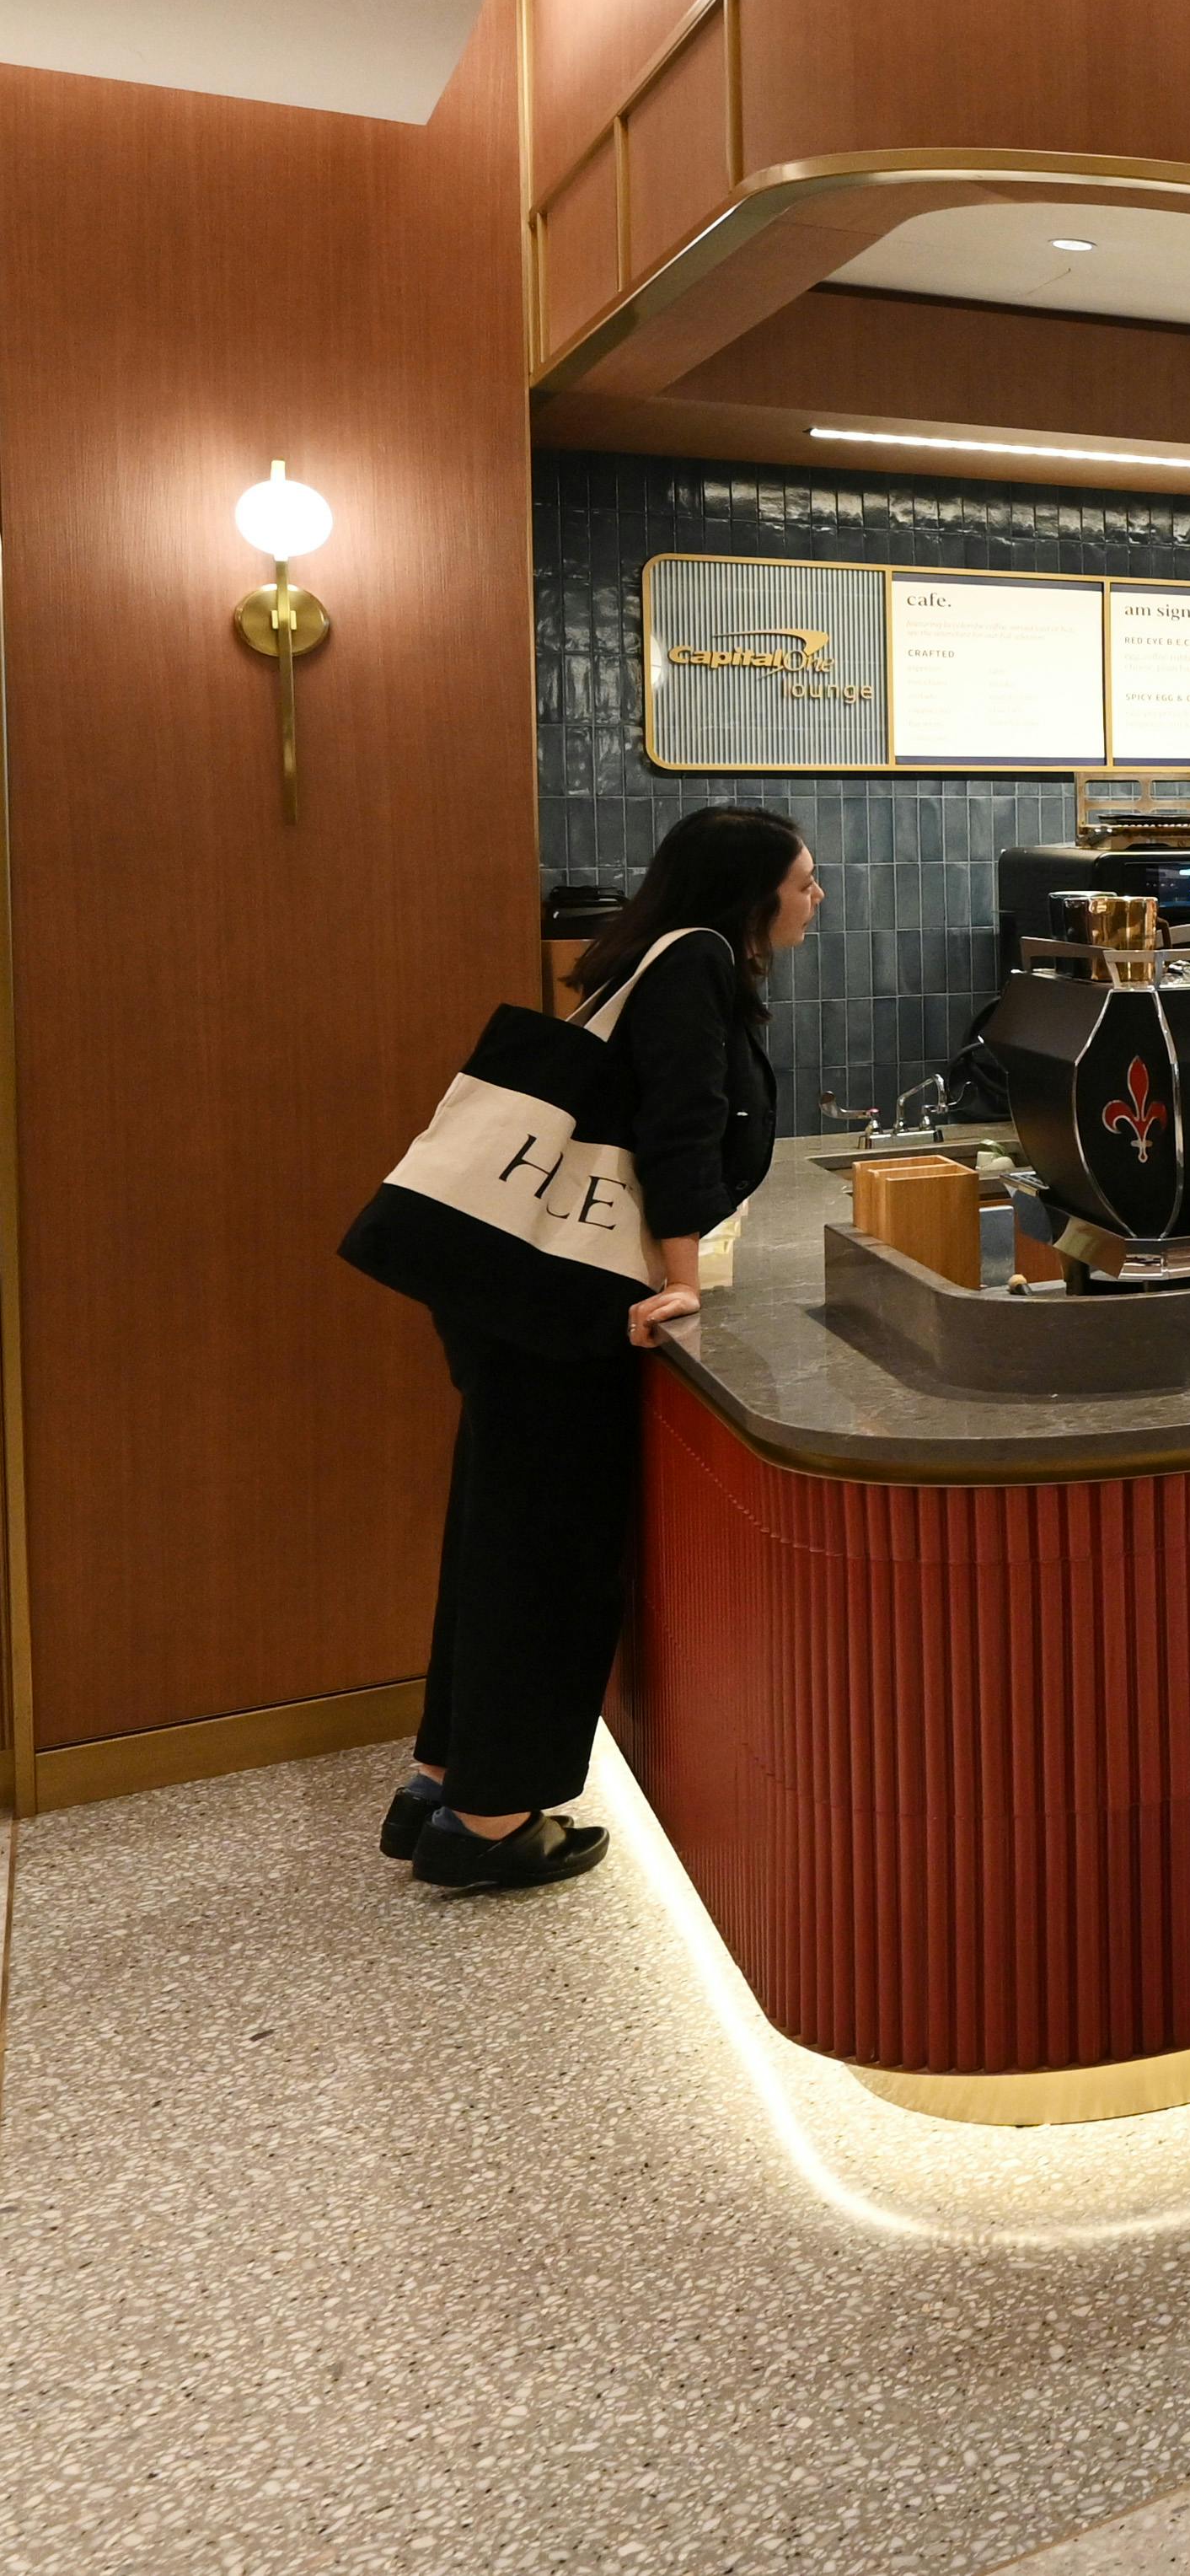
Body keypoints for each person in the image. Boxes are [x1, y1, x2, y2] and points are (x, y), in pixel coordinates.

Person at [390, 806, 820, 1892]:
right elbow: (682, 1125)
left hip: (512, 1291)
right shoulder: (698, 962)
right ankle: (490, 1822)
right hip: (564, 1309)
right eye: (805, 882)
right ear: (750, 893)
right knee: (550, 1553)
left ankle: (444, 1779)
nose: (816, 900)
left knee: (498, 1527)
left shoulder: (654, 955)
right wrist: (680, 1281)